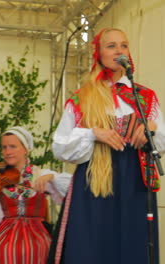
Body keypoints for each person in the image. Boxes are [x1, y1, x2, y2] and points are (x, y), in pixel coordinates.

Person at [49, 28, 165, 264]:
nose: (119, 50)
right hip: (94, 183)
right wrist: (92, 133)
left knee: (132, 247)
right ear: (99, 54)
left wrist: (150, 127)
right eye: (111, 46)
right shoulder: (82, 98)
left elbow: (162, 141)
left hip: (134, 181)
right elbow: (60, 147)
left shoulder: (145, 97)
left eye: (124, 45)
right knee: (92, 248)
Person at [0, 127, 71, 264]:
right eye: (4, 147)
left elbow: (73, 187)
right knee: (2, 249)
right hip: (3, 232)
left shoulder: (40, 174)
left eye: (12, 146)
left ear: (25, 149)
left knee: (38, 248)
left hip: (36, 232)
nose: (7, 152)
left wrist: (51, 177)